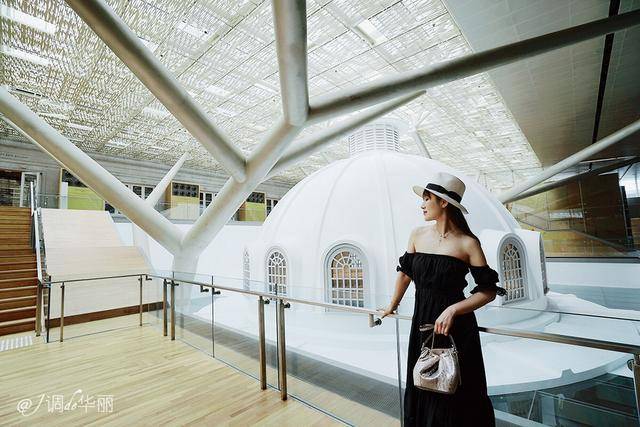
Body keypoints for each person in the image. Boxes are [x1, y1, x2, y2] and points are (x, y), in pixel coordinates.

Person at [381, 171, 506, 427]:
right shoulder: (417, 235)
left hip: (455, 328)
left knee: (454, 392)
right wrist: (392, 305)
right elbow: (405, 274)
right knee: (423, 381)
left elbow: (488, 291)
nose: (422, 204)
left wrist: (453, 310)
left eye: (427, 199)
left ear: (444, 202)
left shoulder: (468, 243)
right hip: (423, 323)